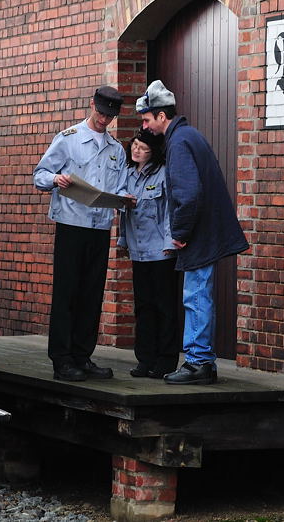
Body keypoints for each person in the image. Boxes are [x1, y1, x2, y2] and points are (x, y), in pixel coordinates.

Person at [136, 80, 250, 385]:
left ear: (161, 116)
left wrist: (181, 232)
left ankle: (198, 362)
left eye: (147, 119)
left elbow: (188, 193)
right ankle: (203, 361)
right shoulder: (187, 136)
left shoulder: (178, 142)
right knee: (199, 294)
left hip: (199, 233)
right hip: (206, 230)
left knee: (196, 295)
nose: (144, 127)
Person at [33, 86, 127, 381]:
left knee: (91, 293)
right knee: (67, 293)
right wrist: (55, 178)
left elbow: (120, 187)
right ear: (91, 106)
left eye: (109, 116)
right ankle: (61, 359)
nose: (104, 120)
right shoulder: (69, 139)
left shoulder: (117, 150)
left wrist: (125, 199)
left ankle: (82, 356)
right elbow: (40, 175)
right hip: (72, 224)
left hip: (99, 227)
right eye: (101, 113)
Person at [117, 128, 179, 379]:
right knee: (143, 306)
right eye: (134, 146)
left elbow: (169, 211)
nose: (136, 150)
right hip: (139, 250)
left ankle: (165, 360)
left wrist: (170, 243)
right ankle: (145, 359)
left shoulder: (164, 174)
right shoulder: (128, 175)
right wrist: (123, 241)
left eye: (143, 148)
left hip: (161, 251)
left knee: (164, 306)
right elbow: (123, 212)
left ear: (154, 152)